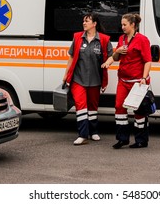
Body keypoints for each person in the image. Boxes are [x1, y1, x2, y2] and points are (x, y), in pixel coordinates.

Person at [102, 13, 152, 149]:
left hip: (138, 82)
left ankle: (141, 140)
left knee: (139, 111)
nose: (122, 27)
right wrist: (116, 52)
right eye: (122, 24)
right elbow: (116, 58)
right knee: (119, 107)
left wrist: (143, 78)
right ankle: (122, 139)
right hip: (123, 80)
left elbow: (148, 61)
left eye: (125, 24)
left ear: (133, 25)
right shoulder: (121, 39)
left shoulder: (142, 40)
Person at [63, 13, 113, 145]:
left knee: (92, 107)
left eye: (87, 21)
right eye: (83, 21)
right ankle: (82, 134)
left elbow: (111, 56)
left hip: (95, 79)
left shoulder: (103, 39)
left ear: (94, 24)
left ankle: (93, 131)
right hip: (78, 79)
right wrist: (66, 74)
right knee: (81, 106)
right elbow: (72, 57)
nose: (84, 23)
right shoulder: (77, 37)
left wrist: (108, 62)